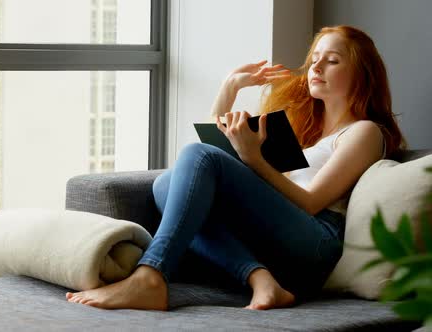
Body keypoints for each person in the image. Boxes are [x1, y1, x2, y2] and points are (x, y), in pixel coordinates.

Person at [65, 25, 406, 311]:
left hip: (316, 245)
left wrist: (254, 159)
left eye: (332, 61)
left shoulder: (365, 132)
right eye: (314, 59)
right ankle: (261, 280)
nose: (316, 68)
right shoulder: (307, 135)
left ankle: (150, 275)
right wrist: (230, 87)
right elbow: (206, 157)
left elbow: (312, 202)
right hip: (280, 240)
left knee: (198, 157)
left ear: (362, 73)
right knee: (164, 186)